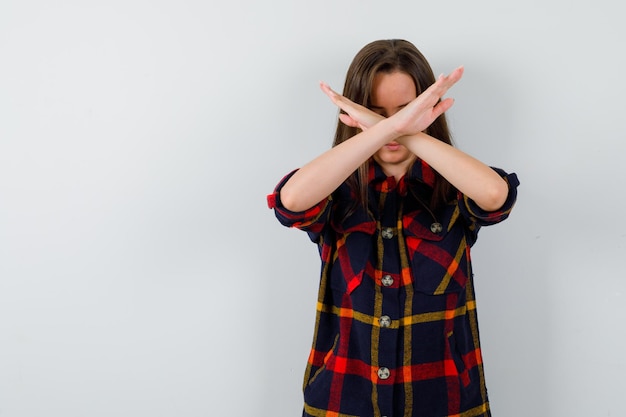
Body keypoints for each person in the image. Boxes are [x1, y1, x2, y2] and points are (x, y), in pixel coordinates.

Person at [267, 39, 519, 417]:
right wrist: (389, 129)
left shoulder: (454, 189)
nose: (392, 125)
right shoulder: (338, 191)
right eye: (375, 113)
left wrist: (400, 130)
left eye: (405, 111)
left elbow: (496, 195)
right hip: (342, 402)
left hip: (444, 403)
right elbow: (290, 203)